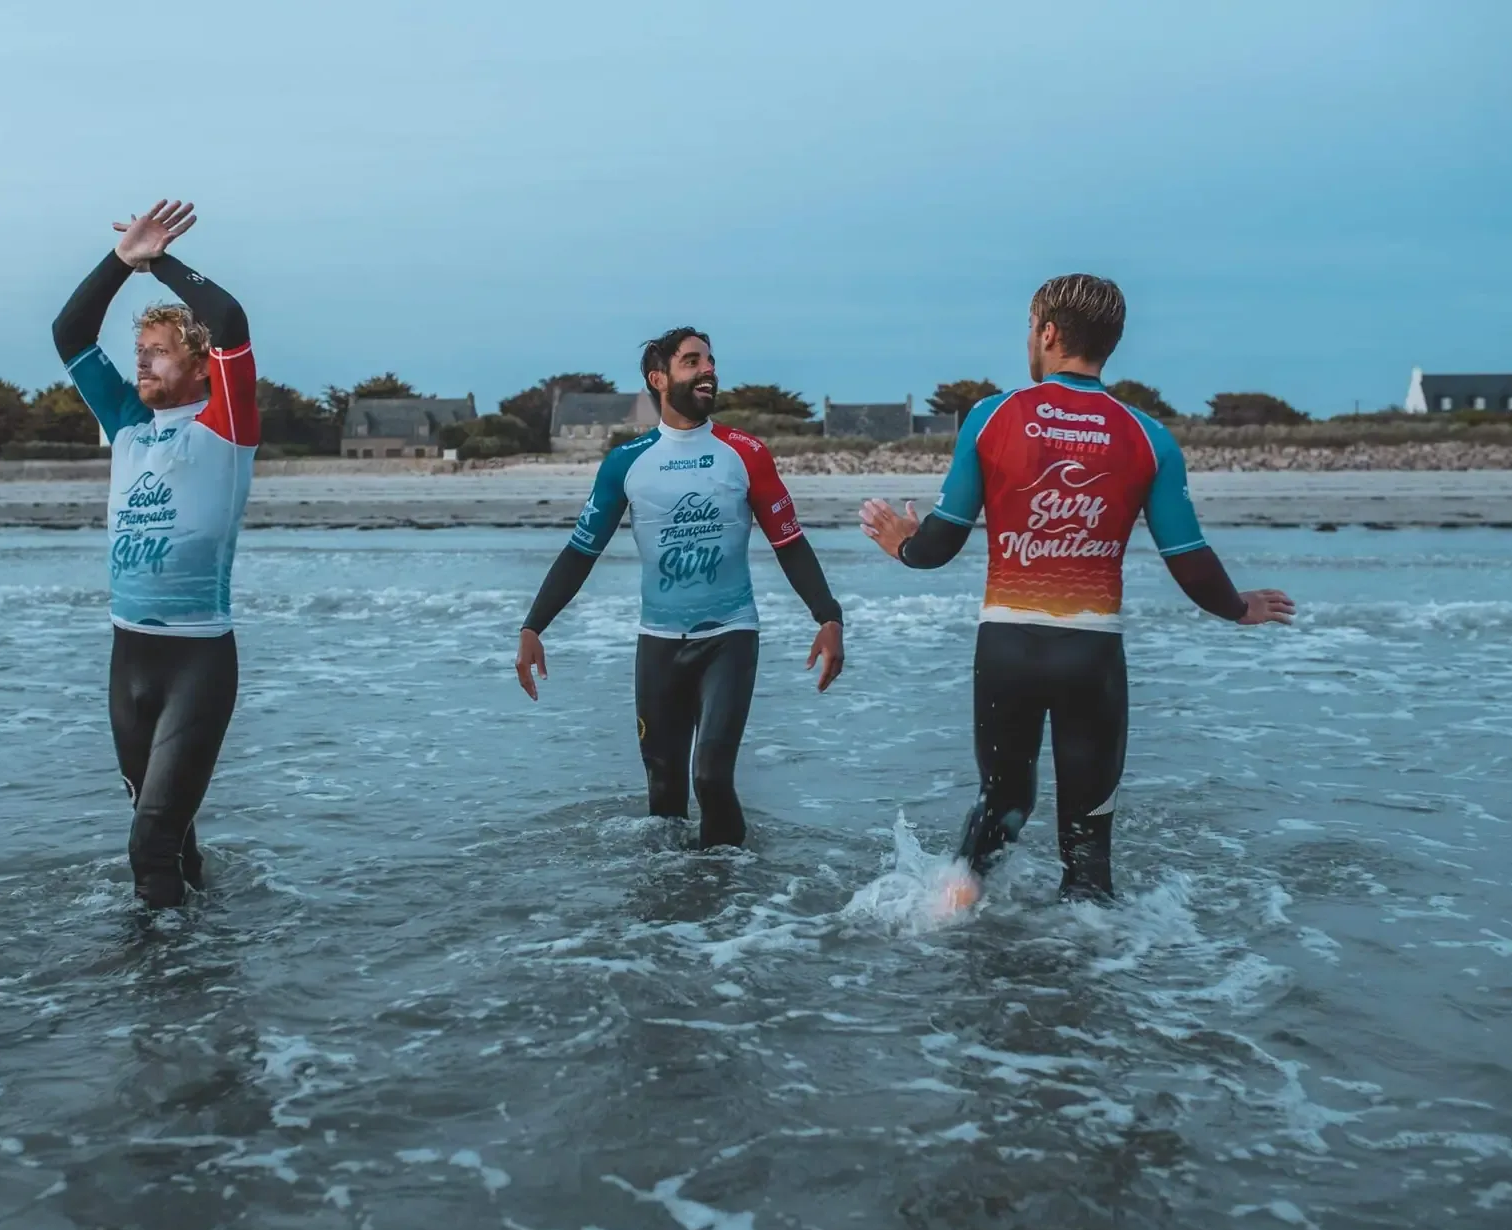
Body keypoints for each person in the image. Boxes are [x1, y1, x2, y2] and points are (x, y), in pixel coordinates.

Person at [861, 274, 1295, 903]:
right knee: (1088, 843)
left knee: (1003, 801)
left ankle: (952, 910)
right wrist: (1237, 606)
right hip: (1090, 657)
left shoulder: (992, 416)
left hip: (1006, 647)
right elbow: (1187, 555)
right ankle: (1086, 970)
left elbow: (940, 543)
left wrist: (901, 540)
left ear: (1048, 333)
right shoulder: (1147, 436)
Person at [515, 327, 846, 850]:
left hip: (730, 636)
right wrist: (534, 624)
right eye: (692, 361)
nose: (709, 369)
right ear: (659, 377)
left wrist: (828, 616)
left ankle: (738, 905)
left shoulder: (745, 453)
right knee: (664, 791)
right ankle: (670, 917)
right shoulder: (627, 462)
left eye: (711, 360)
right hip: (659, 643)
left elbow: (790, 543)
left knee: (711, 776)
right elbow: (582, 551)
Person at [50, 199, 260, 909]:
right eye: (140, 349)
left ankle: (157, 988)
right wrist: (120, 262)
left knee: (148, 844)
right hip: (128, 658)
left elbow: (229, 320)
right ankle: (197, 973)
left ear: (201, 369)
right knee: (172, 839)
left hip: (197, 658)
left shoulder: (224, 426)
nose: (141, 357)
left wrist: (160, 261)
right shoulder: (128, 423)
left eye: (159, 350)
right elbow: (70, 331)